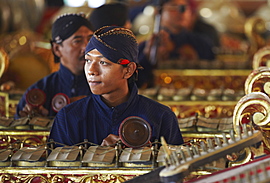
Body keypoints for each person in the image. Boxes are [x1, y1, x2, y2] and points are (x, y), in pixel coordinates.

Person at [49, 26, 184, 146]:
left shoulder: (161, 116)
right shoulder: (69, 117)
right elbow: (56, 173)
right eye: (88, 60)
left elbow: (177, 169)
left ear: (128, 70)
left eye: (103, 63)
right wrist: (98, 157)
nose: (91, 70)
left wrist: (147, 156)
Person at [15, 13, 93, 118]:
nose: (86, 47)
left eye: (90, 39)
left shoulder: (104, 88)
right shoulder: (39, 91)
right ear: (57, 49)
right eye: (77, 41)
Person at [137, 0, 216, 88]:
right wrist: (148, 57)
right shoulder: (147, 45)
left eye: (185, 8)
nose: (181, 12)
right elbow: (136, 82)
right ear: (158, 12)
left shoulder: (202, 43)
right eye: (174, 7)